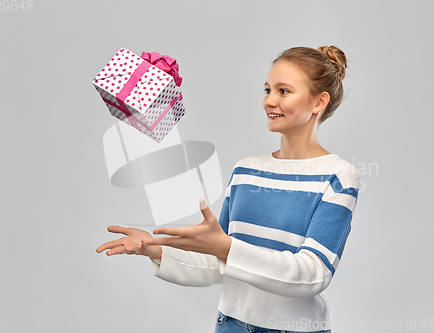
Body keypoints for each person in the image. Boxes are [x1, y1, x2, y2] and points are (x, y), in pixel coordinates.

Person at [96, 45, 360, 333]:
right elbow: (217, 262)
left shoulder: (338, 175)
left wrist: (226, 247)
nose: (269, 101)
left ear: (318, 102)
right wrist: (153, 248)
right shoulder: (245, 170)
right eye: (267, 90)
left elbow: (313, 274)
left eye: (284, 91)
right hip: (231, 325)